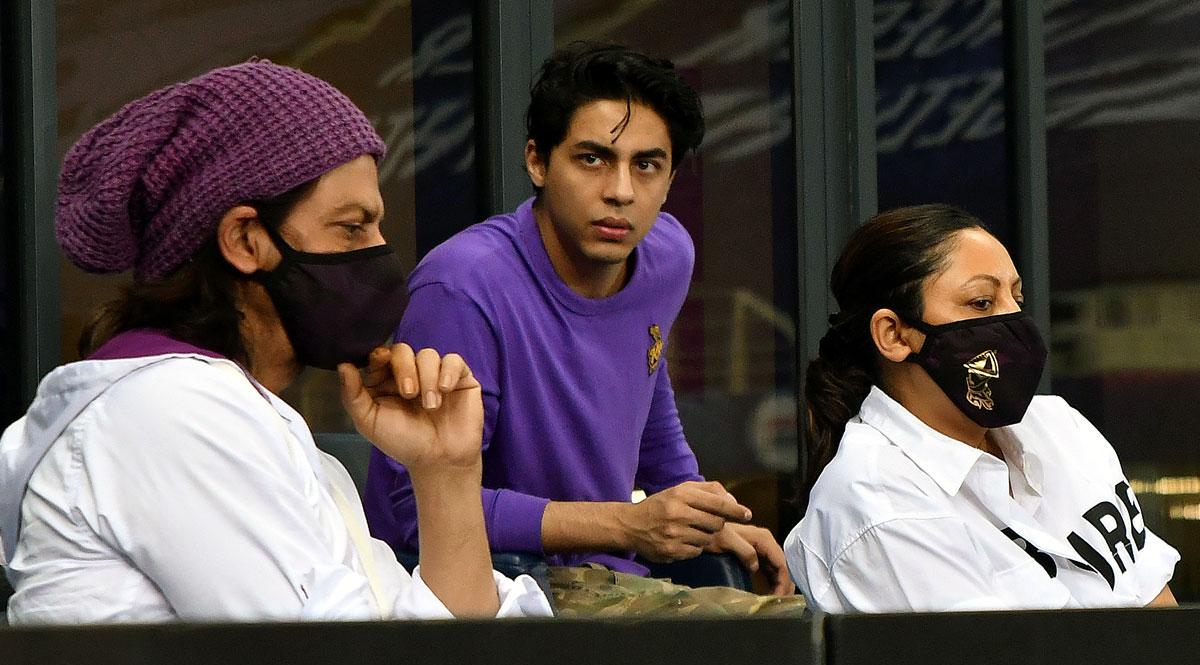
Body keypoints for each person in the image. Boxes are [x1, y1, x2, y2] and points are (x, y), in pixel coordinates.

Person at [0, 61, 551, 623]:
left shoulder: (258, 430)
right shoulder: (173, 413)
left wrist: (447, 472)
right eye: (352, 227)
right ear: (245, 239)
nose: (381, 254)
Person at [364, 42, 794, 597]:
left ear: (670, 181)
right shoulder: (463, 287)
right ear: (537, 161)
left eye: (646, 166)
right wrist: (628, 524)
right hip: (478, 590)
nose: (620, 192)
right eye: (592, 159)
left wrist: (703, 513)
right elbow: (415, 511)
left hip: (609, 578)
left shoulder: (667, 256)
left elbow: (648, 399)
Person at [785, 204, 1179, 613]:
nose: (1013, 320)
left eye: (1016, 297)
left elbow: (1156, 604)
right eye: (981, 303)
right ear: (895, 335)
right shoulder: (876, 505)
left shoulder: (1060, 427)